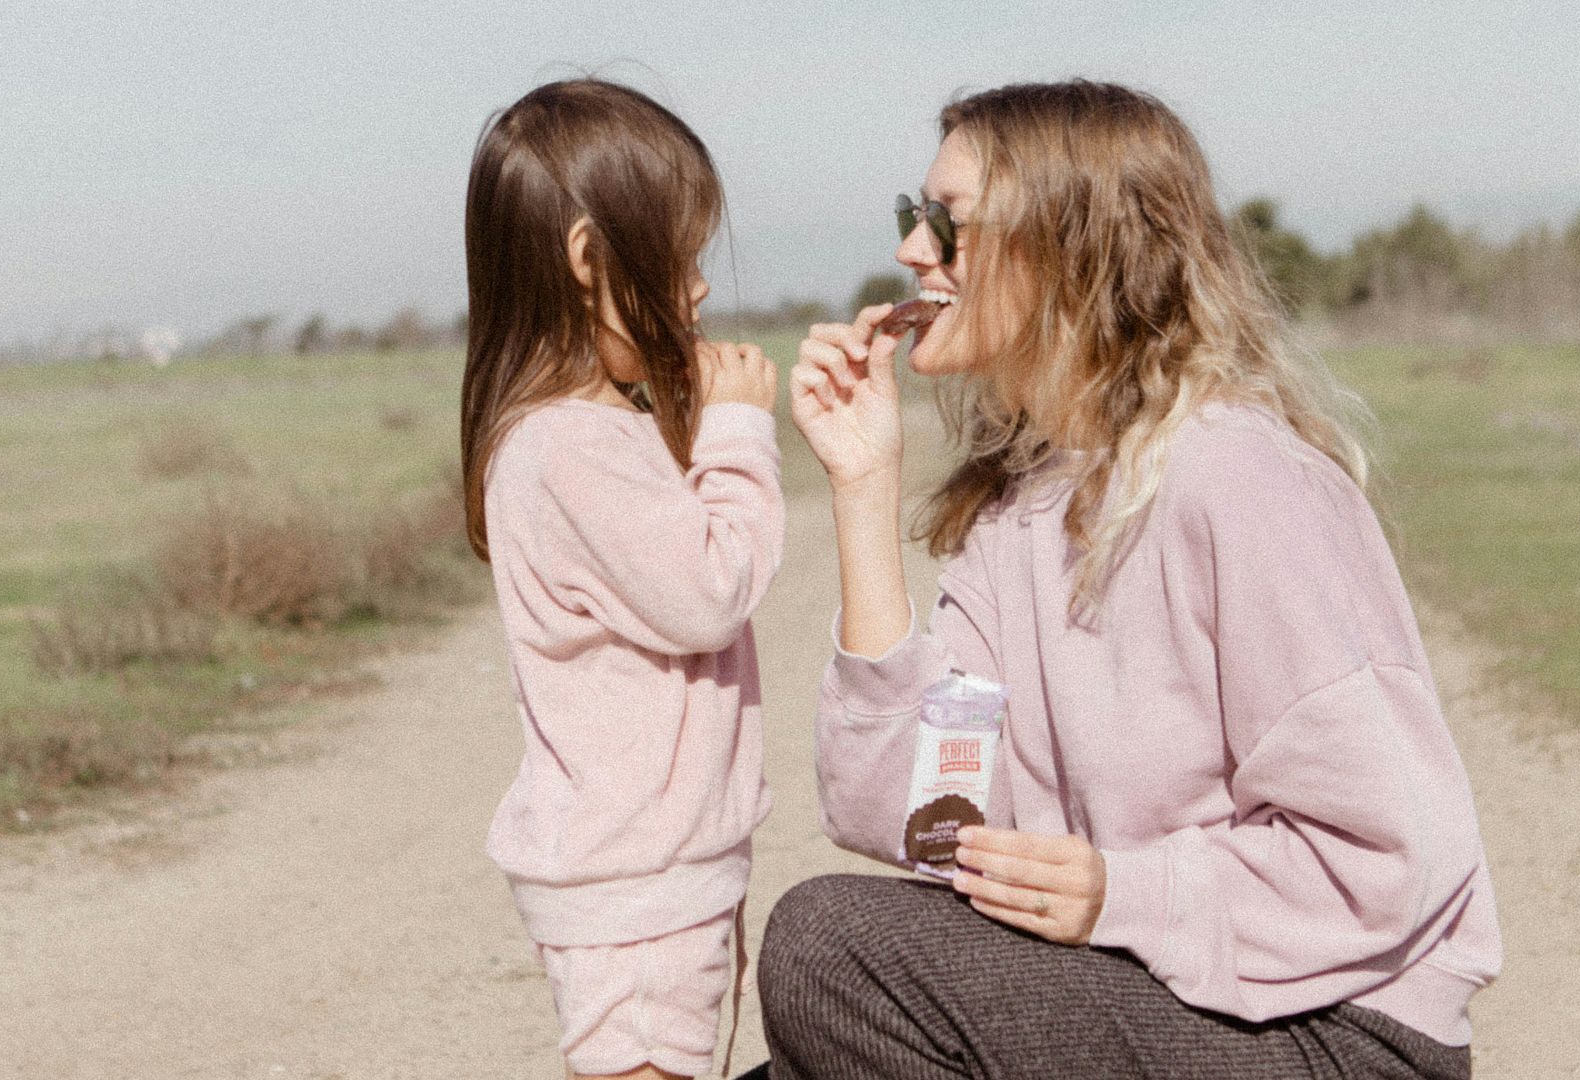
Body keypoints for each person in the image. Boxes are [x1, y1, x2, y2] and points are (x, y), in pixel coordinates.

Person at [761, 80, 1500, 1079]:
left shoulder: (1237, 478)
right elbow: (930, 824)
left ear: (1078, 243)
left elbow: (1391, 853)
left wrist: (1123, 894)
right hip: (1159, 995)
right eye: (910, 215)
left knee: (828, 951)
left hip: (1339, 1031)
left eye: (947, 222)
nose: (911, 251)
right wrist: (862, 485)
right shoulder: (1013, 507)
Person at [459, 79, 781, 1080]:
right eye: (679, 259)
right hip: (641, 879)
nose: (698, 291)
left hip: (656, 872)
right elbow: (710, 587)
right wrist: (737, 432)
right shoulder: (568, 446)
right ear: (589, 258)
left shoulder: (587, 432)